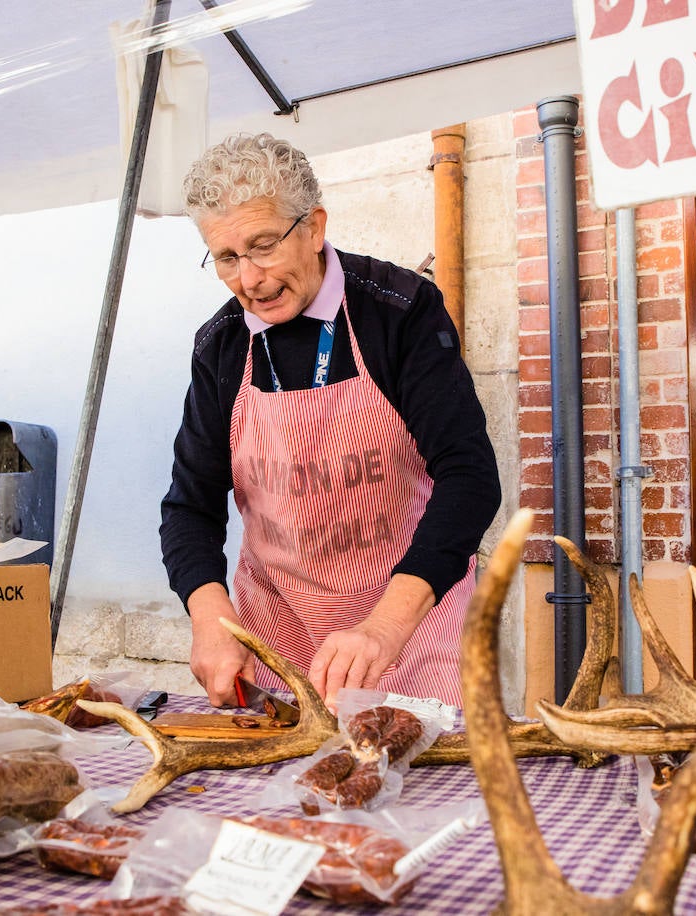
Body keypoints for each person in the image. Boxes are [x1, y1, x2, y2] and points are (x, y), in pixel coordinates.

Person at [160, 133, 500, 709]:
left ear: (314, 228)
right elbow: (190, 506)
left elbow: (469, 477)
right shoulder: (220, 347)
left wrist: (386, 625)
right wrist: (209, 612)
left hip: (407, 633)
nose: (250, 280)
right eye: (226, 258)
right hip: (278, 638)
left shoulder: (400, 312)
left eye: (264, 246)